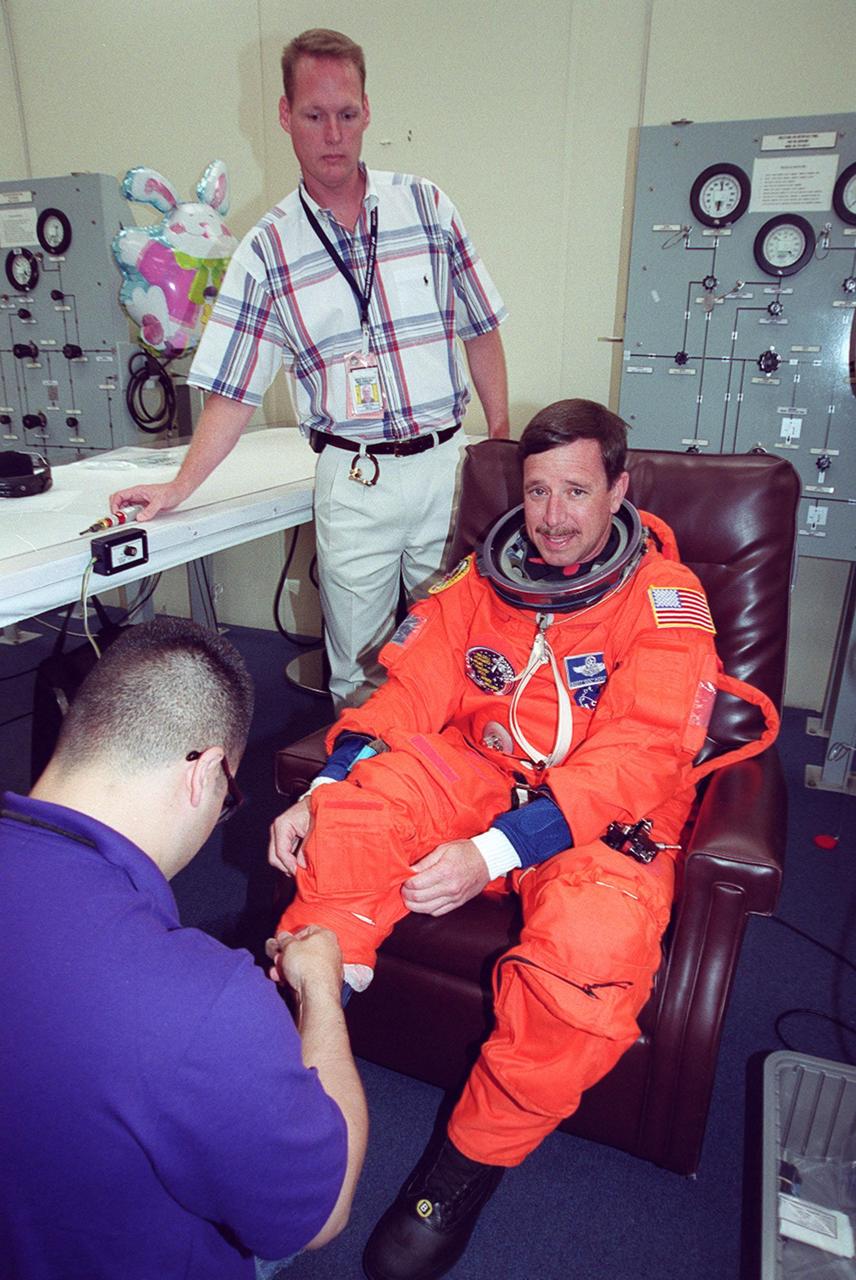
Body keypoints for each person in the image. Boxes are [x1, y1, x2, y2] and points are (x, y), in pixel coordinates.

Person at [266, 400, 777, 1280]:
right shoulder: (479, 580)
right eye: (538, 491)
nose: (553, 516)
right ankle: (295, 1052)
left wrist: (496, 852)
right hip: (482, 771)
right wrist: (324, 786)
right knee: (356, 815)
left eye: (576, 490)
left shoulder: (667, 599)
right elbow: (406, 695)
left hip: (604, 820)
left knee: (590, 950)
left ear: (618, 489)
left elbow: (642, 753)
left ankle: (462, 1168)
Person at [110, 28, 509, 709]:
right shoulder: (266, 251)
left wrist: (498, 442)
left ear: (368, 111)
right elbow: (233, 392)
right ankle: (363, 774)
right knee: (358, 674)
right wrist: (178, 487)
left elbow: (481, 326)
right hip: (355, 481)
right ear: (284, 115)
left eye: (347, 113)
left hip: (447, 471)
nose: (333, 134)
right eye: (314, 115)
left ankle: (444, 774)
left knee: (460, 654)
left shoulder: (426, 206)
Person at [0, 617, 367, 1280]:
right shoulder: (203, 1000)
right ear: (204, 772)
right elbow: (324, 1216)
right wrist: (319, 992)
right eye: (230, 796)